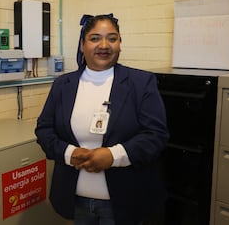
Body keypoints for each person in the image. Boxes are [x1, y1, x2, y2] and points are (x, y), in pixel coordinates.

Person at [35, 14, 169, 225]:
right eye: (95, 38)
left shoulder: (141, 83)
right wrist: (70, 153)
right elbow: (44, 130)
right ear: (82, 45)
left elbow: (156, 135)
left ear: (120, 44)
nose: (104, 45)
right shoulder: (63, 85)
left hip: (125, 201)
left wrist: (113, 156)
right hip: (75, 200)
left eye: (112, 38)